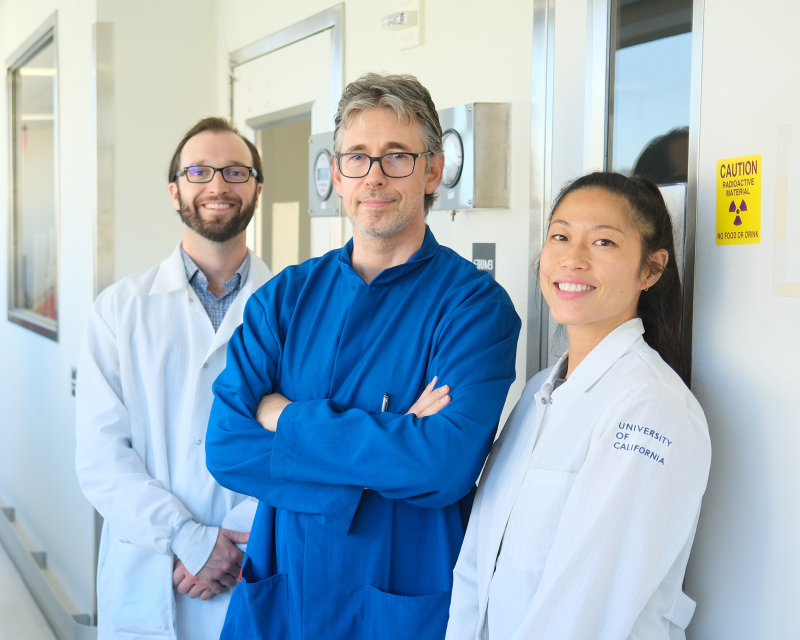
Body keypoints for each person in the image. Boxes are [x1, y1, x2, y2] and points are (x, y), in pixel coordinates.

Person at [205, 73, 521, 640]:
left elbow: (443, 468)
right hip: (286, 595)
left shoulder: (474, 308)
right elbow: (227, 447)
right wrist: (396, 436)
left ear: (433, 170)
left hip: (401, 602)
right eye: (357, 157)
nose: (374, 176)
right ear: (336, 174)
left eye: (397, 156)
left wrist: (286, 418)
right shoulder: (284, 298)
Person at [446, 172, 711, 640]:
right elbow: (478, 562)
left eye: (604, 242)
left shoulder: (650, 406)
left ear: (651, 270)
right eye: (561, 236)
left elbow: (590, 601)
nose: (573, 258)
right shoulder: (536, 394)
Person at [75, 117, 273, 639]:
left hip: (252, 563)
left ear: (256, 188)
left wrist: (231, 543)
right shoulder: (119, 310)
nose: (217, 185)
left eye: (235, 171)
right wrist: (188, 539)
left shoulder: (295, 309)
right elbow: (100, 456)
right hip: (149, 570)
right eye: (199, 170)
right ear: (174, 191)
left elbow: (303, 446)